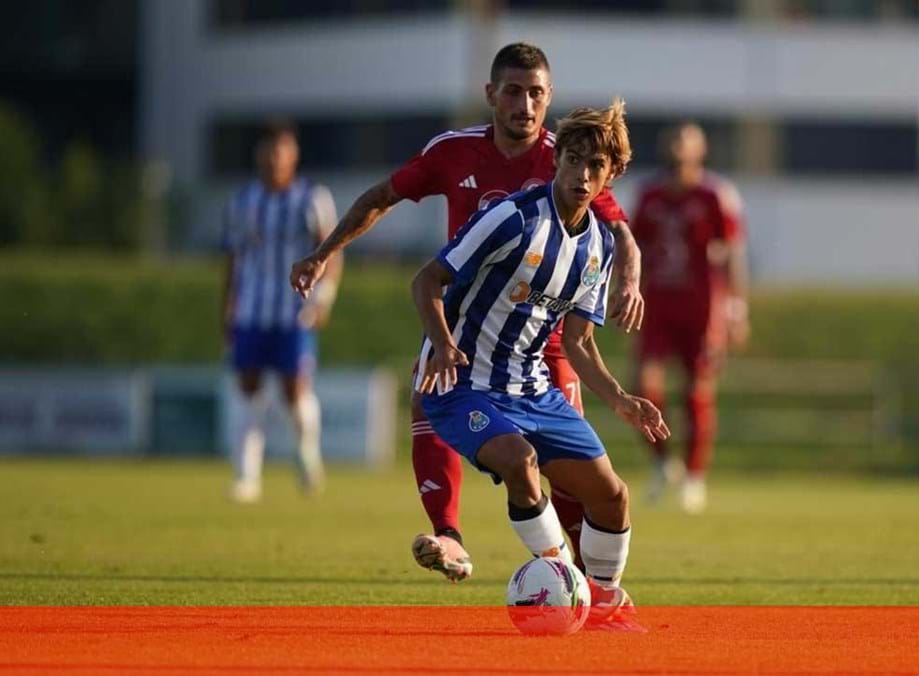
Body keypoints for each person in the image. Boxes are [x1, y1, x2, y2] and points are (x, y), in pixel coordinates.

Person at [289, 43, 644, 581]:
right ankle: (452, 537)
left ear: (549, 100)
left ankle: (585, 586)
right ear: (491, 95)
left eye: (537, 94)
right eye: (514, 92)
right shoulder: (454, 152)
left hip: (546, 338)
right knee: (428, 400)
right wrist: (325, 252)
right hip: (464, 323)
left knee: (574, 478)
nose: (525, 104)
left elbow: (616, 232)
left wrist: (629, 282)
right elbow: (382, 197)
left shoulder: (569, 156)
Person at [410, 98, 665, 629]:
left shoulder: (598, 246)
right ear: (558, 160)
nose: (581, 173)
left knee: (612, 496)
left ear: (610, 176)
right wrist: (442, 343)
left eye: (595, 167)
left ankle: (605, 602)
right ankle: (561, 580)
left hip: (534, 389)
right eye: (573, 159)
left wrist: (619, 398)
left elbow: (578, 343)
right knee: (521, 462)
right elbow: (426, 281)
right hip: (463, 384)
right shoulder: (510, 218)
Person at [630, 122, 750, 514]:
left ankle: (695, 477)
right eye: (675, 139)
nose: (680, 146)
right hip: (659, 304)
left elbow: (733, 252)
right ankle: (665, 463)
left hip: (703, 307)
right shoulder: (649, 195)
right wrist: (624, 292)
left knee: (697, 391)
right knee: (643, 386)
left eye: (688, 139)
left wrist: (736, 308)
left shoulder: (716, 194)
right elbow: (633, 249)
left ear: (702, 149)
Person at [221, 120, 341, 503]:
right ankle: (247, 476)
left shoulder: (312, 198)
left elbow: (332, 252)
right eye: (269, 151)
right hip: (252, 312)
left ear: (294, 155)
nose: (275, 158)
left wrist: (324, 298)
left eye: (282, 150)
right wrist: (227, 308)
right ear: (259, 155)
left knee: (294, 391)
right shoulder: (243, 201)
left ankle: (307, 457)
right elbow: (234, 260)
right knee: (247, 388)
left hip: (294, 311)